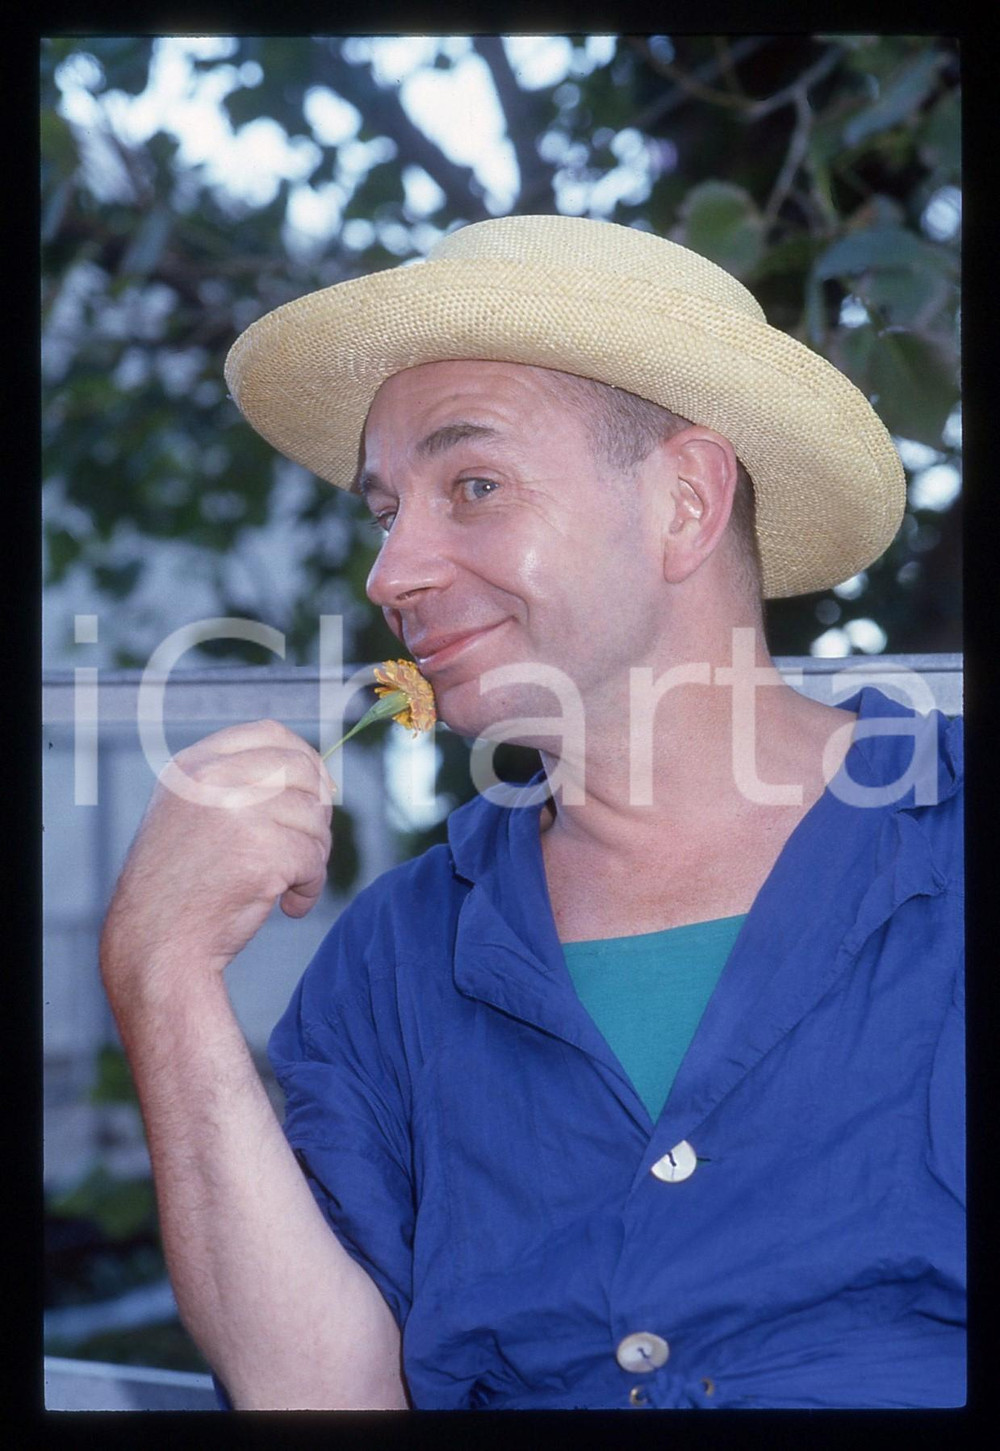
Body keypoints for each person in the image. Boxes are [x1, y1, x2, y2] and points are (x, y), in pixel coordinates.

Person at [99, 215, 964, 1411]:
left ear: (684, 503)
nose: (390, 573)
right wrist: (161, 970)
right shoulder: (393, 958)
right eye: (385, 509)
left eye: (473, 484)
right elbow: (319, 1392)